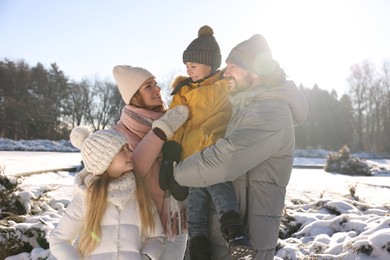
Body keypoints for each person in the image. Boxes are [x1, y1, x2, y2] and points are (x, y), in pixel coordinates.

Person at [170, 34, 309, 259]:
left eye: (232, 67)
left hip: (244, 246)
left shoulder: (270, 111)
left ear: (254, 70)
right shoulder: (245, 106)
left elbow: (223, 160)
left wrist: (175, 175)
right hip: (225, 242)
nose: (225, 73)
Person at [159, 25, 256, 260]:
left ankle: (235, 233)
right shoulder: (182, 92)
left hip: (214, 152)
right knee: (196, 206)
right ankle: (199, 249)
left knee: (221, 189)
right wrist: (171, 154)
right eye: (187, 67)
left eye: (193, 65)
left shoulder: (226, 83)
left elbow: (246, 95)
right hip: (190, 159)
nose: (189, 70)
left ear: (210, 64)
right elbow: (176, 123)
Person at [49, 126, 165, 259]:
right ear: (105, 160)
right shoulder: (86, 197)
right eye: (122, 150)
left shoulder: (138, 192)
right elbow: (58, 241)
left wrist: (146, 257)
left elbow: (157, 236)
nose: (130, 153)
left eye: (127, 148)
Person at [112, 65, 189, 259]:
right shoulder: (119, 133)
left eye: (155, 83)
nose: (157, 89)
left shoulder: (173, 119)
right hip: (142, 225)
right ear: (135, 96)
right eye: (148, 86)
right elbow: (133, 171)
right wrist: (160, 133)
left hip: (175, 220)